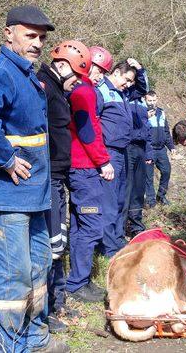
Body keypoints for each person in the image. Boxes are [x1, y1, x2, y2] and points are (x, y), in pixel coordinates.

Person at [0, 5, 69, 353]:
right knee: (12, 276)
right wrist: (6, 160)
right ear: (9, 34)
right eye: (30, 35)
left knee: (38, 270)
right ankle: (10, 347)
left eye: (41, 37)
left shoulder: (27, 74)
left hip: (33, 195)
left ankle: (36, 340)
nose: (37, 43)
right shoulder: (0, 72)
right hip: (7, 194)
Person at [36, 40, 88, 331]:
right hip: (47, 176)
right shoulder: (43, 87)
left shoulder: (56, 90)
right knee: (49, 245)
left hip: (58, 176)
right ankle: (45, 311)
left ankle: (57, 299)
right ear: (64, 66)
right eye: (77, 76)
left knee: (58, 242)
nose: (78, 83)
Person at [65, 43, 115, 303]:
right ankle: (77, 282)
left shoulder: (81, 90)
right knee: (92, 226)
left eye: (104, 72)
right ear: (87, 65)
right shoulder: (84, 92)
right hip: (84, 168)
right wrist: (103, 161)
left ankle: (77, 279)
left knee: (80, 224)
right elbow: (88, 131)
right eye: (99, 70)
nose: (101, 76)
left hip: (79, 167)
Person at [96, 59, 148, 257]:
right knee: (108, 202)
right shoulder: (100, 91)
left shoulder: (125, 93)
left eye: (130, 82)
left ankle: (117, 240)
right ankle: (108, 247)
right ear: (116, 72)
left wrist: (140, 70)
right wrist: (102, 159)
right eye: (126, 79)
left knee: (120, 200)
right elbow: (93, 124)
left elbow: (142, 89)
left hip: (122, 151)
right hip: (108, 152)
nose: (128, 85)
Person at [123, 93, 152, 238]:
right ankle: (120, 228)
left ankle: (136, 225)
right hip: (126, 147)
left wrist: (149, 152)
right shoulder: (123, 95)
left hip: (141, 147)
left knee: (139, 189)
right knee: (126, 189)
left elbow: (147, 129)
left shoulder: (142, 102)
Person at [143, 91, 174, 208]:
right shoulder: (142, 113)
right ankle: (150, 201)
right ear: (145, 100)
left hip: (161, 150)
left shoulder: (162, 112)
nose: (152, 103)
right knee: (148, 176)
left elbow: (166, 131)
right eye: (149, 101)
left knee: (166, 171)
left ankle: (161, 196)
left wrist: (171, 147)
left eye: (154, 100)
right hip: (148, 149)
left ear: (157, 99)